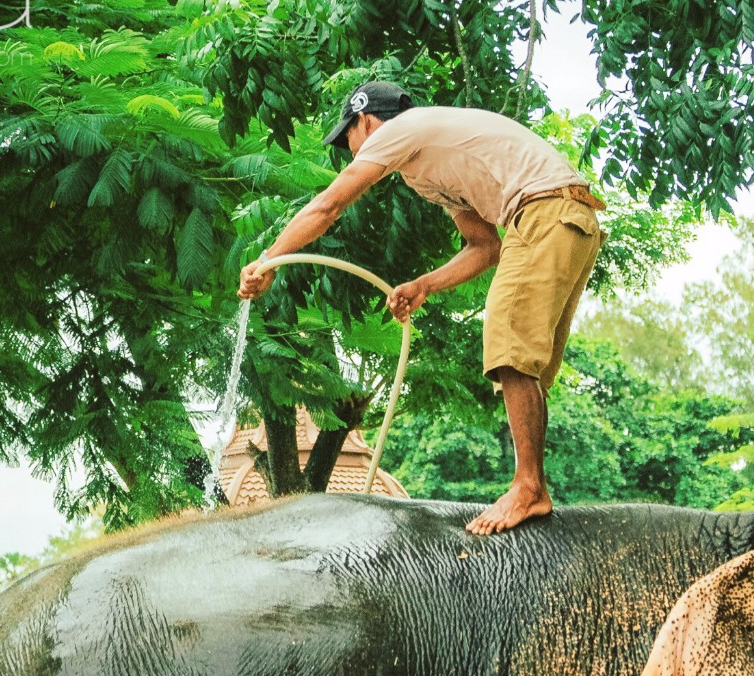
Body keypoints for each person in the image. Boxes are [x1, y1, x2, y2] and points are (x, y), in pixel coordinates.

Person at [238, 81, 604, 535]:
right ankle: (531, 485)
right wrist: (424, 284)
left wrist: (271, 258)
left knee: (508, 343)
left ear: (366, 120)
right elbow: (485, 245)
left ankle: (529, 487)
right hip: (571, 220)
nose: (349, 151)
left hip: (545, 212)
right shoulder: (423, 169)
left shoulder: (403, 127)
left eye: (347, 137)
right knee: (524, 361)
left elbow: (328, 206)